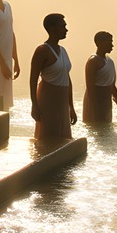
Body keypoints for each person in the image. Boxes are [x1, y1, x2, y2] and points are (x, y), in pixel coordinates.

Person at [29, 13, 76, 141]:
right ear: (52, 28)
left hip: (62, 100)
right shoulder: (42, 50)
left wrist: (71, 106)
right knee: (46, 137)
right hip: (47, 99)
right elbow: (33, 79)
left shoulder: (63, 50)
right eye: (63, 26)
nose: (66, 29)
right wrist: (34, 105)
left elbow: (67, 79)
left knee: (62, 137)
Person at [83, 31, 117, 123]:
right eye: (109, 42)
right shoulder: (93, 61)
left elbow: (112, 86)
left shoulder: (110, 61)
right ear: (99, 43)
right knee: (95, 129)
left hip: (106, 102)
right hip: (94, 101)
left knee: (106, 130)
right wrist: (93, 109)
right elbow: (90, 87)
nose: (112, 45)